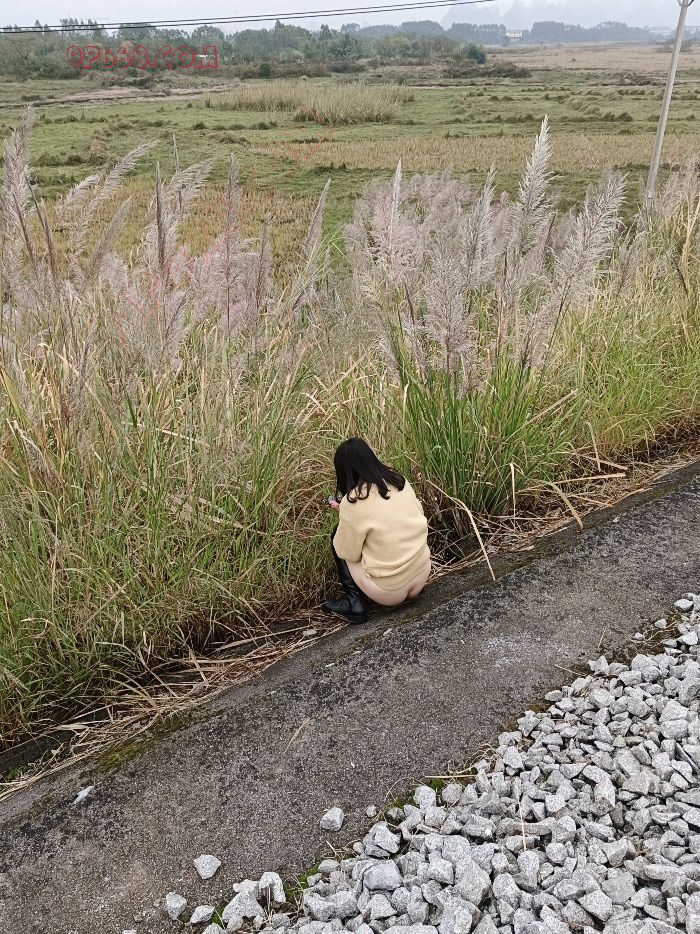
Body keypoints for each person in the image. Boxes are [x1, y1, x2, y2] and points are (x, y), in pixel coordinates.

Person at [323, 438, 431, 624]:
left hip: (389, 592)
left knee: (338, 538)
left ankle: (354, 604)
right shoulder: (398, 481)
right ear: (370, 458)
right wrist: (347, 512)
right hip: (422, 573)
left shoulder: (353, 502)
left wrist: (346, 517)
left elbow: (347, 552)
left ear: (343, 471)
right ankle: (410, 579)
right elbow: (391, 516)